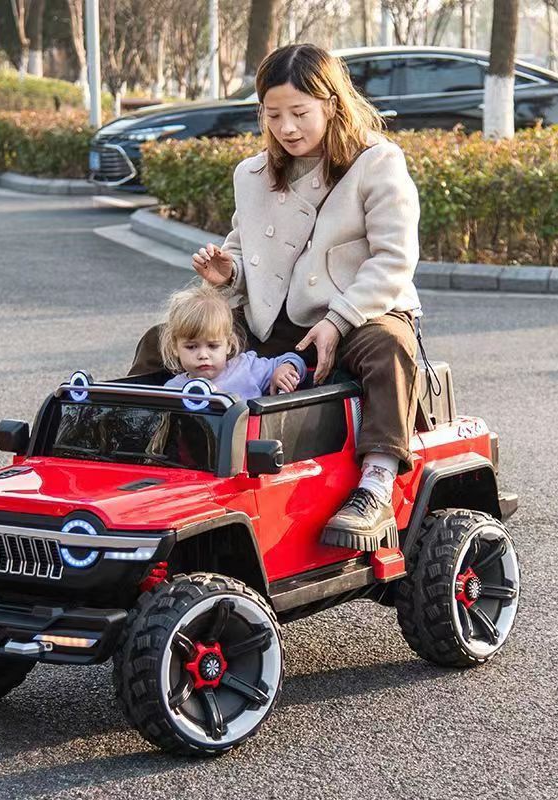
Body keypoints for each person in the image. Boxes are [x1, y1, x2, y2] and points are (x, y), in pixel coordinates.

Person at [129, 43, 422, 553]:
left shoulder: (378, 163)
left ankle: (376, 481)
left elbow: (394, 260)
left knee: (389, 349)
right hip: (271, 320)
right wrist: (227, 272)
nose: (287, 128)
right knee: (164, 341)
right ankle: (137, 445)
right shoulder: (252, 173)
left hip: (359, 312)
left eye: (300, 113)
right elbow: (242, 252)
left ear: (332, 104)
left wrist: (338, 320)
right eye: (274, 114)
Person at [160, 285, 307, 401]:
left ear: (229, 344)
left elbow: (294, 360)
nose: (203, 355)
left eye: (213, 346)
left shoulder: (247, 368)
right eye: (191, 347)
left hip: (248, 438)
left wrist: (285, 370)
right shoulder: (172, 390)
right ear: (175, 347)